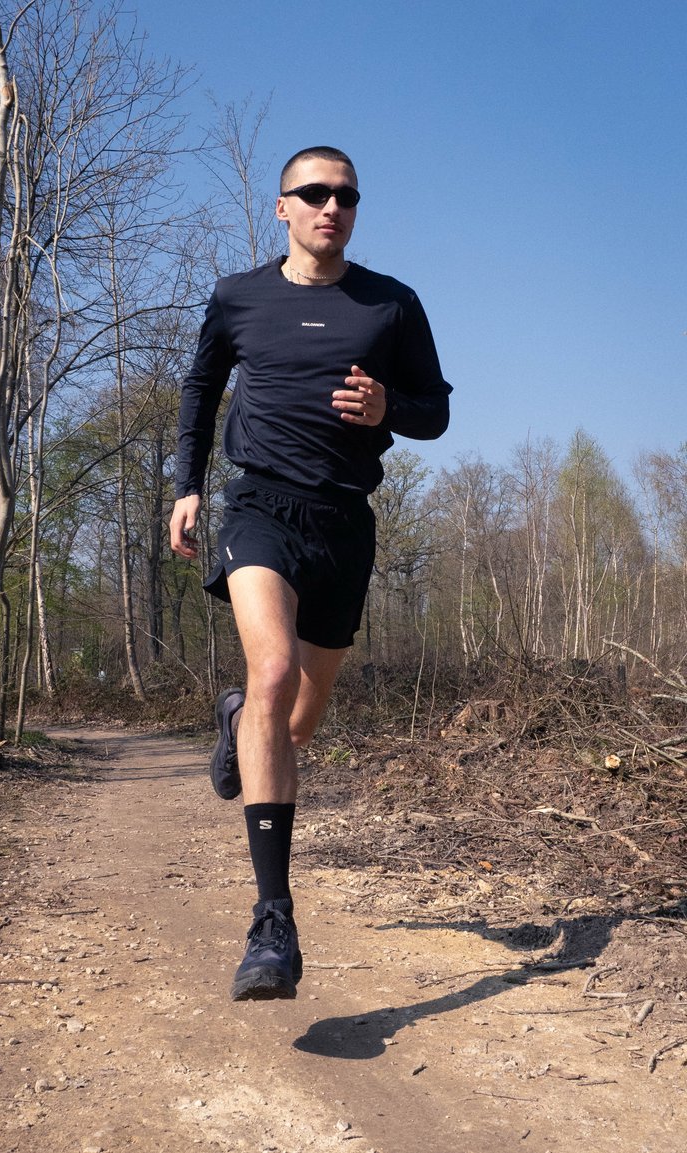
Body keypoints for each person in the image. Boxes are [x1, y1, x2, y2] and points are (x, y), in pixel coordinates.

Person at [170, 145, 451, 1002]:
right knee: (274, 667)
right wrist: (186, 487)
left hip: (344, 522)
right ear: (283, 207)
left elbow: (435, 410)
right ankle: (272, 922)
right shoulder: (238, 297)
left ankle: (236, 721)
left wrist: (387, 411)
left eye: (347, 196)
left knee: (298, 719)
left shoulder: (391, 304)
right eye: (315, 194)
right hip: (260, 506)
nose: (333, 206)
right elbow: (199, 388)